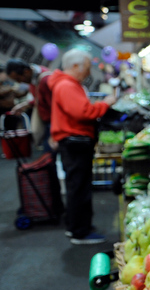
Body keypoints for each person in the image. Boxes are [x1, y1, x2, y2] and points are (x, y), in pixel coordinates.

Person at [49, 49, 116, 244]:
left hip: (72, 142)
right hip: (75, 142)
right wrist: (105, 104)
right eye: (87, 67)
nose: (88, 71)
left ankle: (76, 226)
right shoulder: (66, 85)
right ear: (75, 66)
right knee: (79, 187)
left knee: (76, 186)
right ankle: (80, 231)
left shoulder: (65, 84)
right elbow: (83, 113)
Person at [5, 59, 55, 151]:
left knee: (49, 153)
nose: (20, 83)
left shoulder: (44, 79)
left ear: (26, 71)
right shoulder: (34, 78)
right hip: (48, 121)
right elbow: (39, 99)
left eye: (18, 79)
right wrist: (25, 104)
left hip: (52, 123)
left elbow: (53, 106)